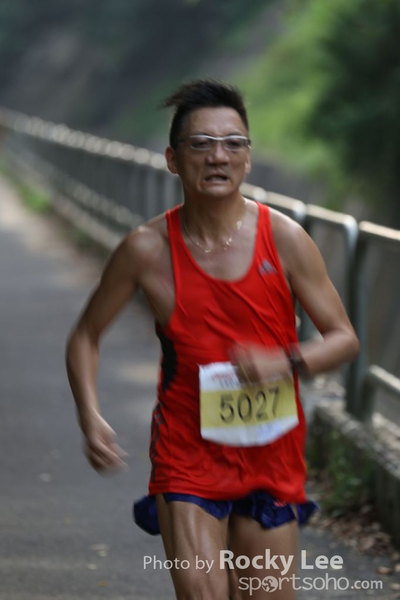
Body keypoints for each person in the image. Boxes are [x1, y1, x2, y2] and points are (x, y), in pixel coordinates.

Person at [66, 79, 359, 600]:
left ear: (248, 157)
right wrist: (90, 417)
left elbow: (343, 339)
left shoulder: (285, 239)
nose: (218, 156)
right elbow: (86, 335)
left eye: (233, 143)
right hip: (188, 454)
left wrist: (284, 360)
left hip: (272, 456)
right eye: (200, 144)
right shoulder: (146, 249)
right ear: (173, 160)